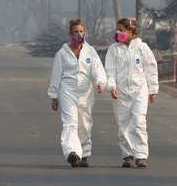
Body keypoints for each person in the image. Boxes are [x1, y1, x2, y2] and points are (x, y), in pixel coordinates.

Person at [48, 19, 106, 168]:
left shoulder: (90, 51)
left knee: (85, 124)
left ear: (85, 33)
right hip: (68, 91)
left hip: (85, 92)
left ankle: (84, 153)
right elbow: (56, 75)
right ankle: (72, 153)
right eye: (76, 31)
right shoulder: (62, 53)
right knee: (70, 123)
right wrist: (54, 96)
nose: (79, 34)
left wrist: (100, 83)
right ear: (70, 34)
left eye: (81, 31)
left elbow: (97, 69)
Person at [105, 17, 158, 168]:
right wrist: (112, 86)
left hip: (139, 90)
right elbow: (110, 70)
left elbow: (151, 68)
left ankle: (141, 155)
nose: (118, 32)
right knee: (123, 124)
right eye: (118, 29)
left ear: (131, 31)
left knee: (139, 122)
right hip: (121, 92)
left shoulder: (142, 48)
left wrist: (153, 89)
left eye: (121, 30)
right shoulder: (114, 49)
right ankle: (127, 154)